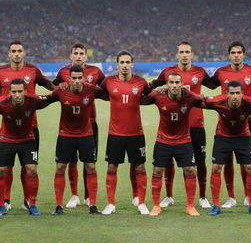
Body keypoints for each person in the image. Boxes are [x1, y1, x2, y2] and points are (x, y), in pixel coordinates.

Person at [149, 41, 212, 209]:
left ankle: (202, 197)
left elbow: (214, 85)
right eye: (182, 52)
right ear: (177, 55)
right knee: (167, 161)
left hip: (196, 124)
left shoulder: (200, 72)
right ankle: (169, 196)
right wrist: (160, 89)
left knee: (199, 161)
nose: (184, 55)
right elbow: (151, 87)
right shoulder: (167, 72)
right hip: (174, 126)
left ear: (192, 55)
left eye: (187, 52)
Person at [0, 40, 54, 211]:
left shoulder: (33, 70)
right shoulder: (1, 72)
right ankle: (6, 200)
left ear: (24, 53)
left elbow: (49, 86)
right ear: (8, 54)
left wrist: (62, 91)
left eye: (19, 50)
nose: (16, 53)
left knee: (29, 166)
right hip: (8, 127)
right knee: (5, 167)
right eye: (13, 51)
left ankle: (27, 201)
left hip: (31, 127)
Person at [52, 43, 105, 208]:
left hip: (90, 123)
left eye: (82, 53)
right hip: (69, 126)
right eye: (76, 53)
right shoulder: (63, 72)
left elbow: (105, 88)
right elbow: (54, 87)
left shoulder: (96, 71)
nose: (79, 56)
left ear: (86, 56)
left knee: (89, 162)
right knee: (71, 161)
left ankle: (88, 197)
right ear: (71, 55)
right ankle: (74, 195)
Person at [143, 72, 202, 216]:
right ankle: (156, 206)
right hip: (163, 141)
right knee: (157, 171)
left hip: (184, 141)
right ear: (167, 84)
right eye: (171, 83)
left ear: (182, 84)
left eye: (177, 83)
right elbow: (141, 98)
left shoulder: (189, 97)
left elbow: (205, 101)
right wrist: (153, 89)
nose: (174, 86)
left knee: (190, 170)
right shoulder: (158, 96)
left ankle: (190, 206)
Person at [100, 51, 151, 215]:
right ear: (117, 64)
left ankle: (141, 203)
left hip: (136, 133)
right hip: (115, 134)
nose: (124, 65)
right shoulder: (108, 82)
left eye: (127, 62)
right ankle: (111, 204)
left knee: (140, 167)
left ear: (132, 64)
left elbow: (151, 96)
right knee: (112, 167)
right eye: (121, 62)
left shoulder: (141, 82)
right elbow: (98, 93)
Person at [211, 41, 251, 208]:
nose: (236, 55)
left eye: (239, 52)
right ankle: (231, 197)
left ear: (244, 54)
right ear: (229, 55)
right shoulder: (221, 72)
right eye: (233, 52)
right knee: (226, 160)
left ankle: (248, 195)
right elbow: (210, 85)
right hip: (227, 119)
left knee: (249, 162)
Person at [205, 81, 251, 215]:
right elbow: (199, 100)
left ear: (242, 94)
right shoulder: (218, 101)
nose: (234, 96)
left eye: (237, 93)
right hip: (223, 137)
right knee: (216, 167)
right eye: (232, 93)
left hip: (243, 137)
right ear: (226, 94)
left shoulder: (250, 103)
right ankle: (216, 205)